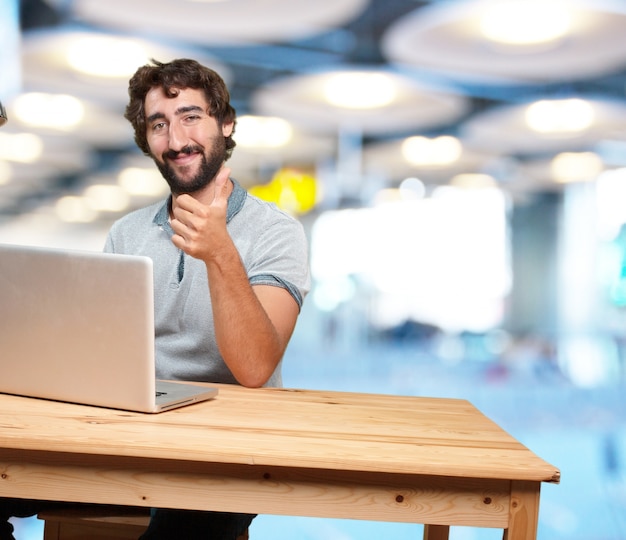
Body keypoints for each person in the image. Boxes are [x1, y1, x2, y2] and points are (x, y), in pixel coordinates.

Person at [0, 58, 310, 539]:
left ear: (226, 124)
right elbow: (101, 354)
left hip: (226, 452)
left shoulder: (276, 233)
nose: (176, 139)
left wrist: (221, 254)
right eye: (159, 124)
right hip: (131, 434)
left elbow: (254, 367)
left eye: (191, 117)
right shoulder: (126, 233)